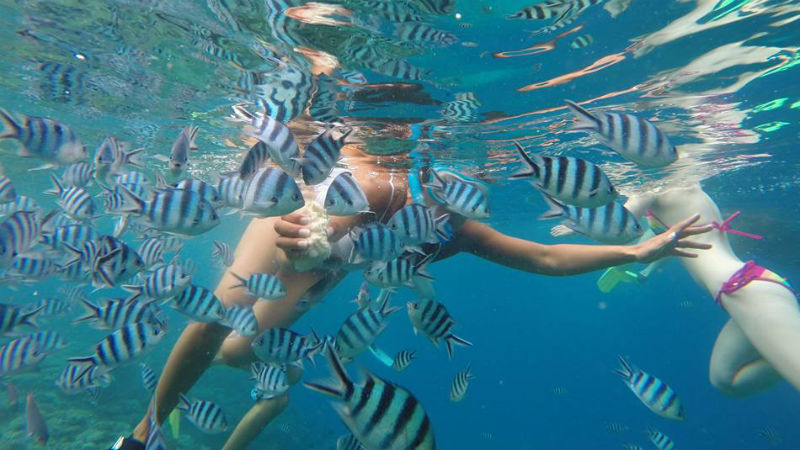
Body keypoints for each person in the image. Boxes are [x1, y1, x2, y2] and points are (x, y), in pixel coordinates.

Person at [110, 137, 711, 450]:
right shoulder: (376, 187)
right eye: (449, 186)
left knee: (241, 356)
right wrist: (305, 231)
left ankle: (266, 394)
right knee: (223, 315)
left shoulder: (457, 231)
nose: (457, 199)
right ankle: (143, 433)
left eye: (468, 191)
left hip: (327, 272)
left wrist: (635, 252)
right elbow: (316, 200)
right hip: (305, 234)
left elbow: (544, 255)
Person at [622, 184, 800, 396]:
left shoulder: (650, 191)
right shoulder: (684, 189)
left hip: (743, 289)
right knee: (724, 379)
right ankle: (783, 349)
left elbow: (614, 227)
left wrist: (574, 223)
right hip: (746, 286)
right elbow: (674, 248)